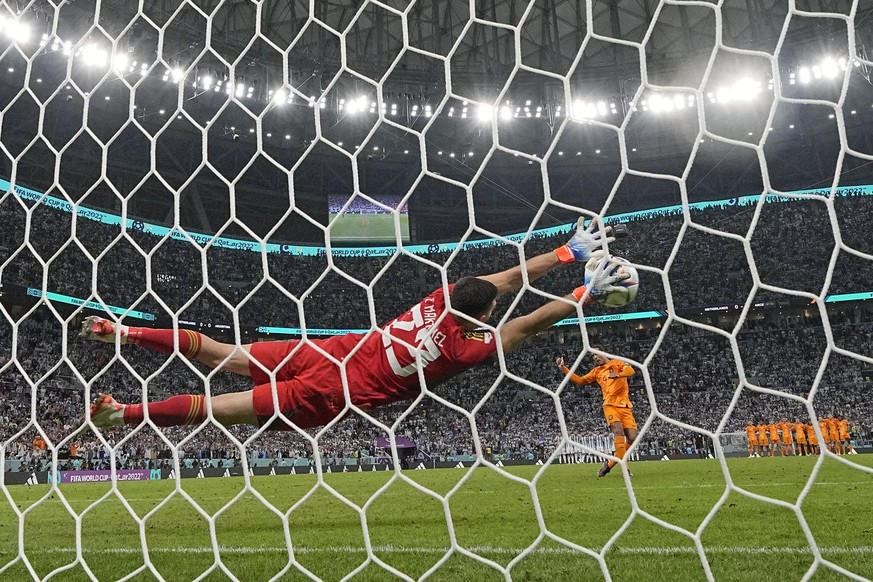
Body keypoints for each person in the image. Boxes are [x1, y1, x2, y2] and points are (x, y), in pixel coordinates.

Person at [81, 220, 630, 435]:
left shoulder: (440, 297)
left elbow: (507, 277)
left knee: (218, 352)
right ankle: (120, 414)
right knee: (219, 407)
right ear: (482, 318)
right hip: (330, 389)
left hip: (324, 352)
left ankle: (123, 332)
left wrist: (567, 252)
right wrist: (587, 291)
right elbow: (528, 320)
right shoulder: (464, 351)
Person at [555, 348, 636, 477]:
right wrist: (564, 368)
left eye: (596, 354)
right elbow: (580, 380)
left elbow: (631, 370)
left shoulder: (617, 363)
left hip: (625, 405)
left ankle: (608, 465)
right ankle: (625, 468)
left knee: (632, 437)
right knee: (618, 431)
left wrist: (619, 375)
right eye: (592, 356)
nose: (594, 358)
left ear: (604, 353)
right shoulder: (596, 371)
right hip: (610, 405)